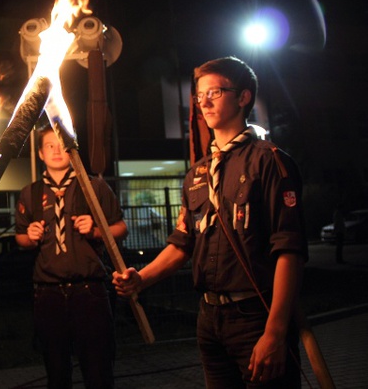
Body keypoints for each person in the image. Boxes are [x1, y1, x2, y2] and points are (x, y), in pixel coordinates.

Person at [113, 56, 307, 388]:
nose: (203, 101)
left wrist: (275, 331)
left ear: (243, 97)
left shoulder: (269, 161)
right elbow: (182, 244)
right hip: (209, 318)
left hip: (255, 315)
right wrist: (140, 279)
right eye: (199, 94)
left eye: (215, 92)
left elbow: (288, 251)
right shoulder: (197, 174)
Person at [14, 123, 128, 389]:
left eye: (62, 145)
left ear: (72, 149)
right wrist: (28, 236)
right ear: (40, 153)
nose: (56, 151)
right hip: (48, 292)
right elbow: (19, 237)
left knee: (98, 370)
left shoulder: (93, 187)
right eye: (49, 146)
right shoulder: (30, 193)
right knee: (56, 372)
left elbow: (121, 228)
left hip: (89, 291)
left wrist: (97, 230)